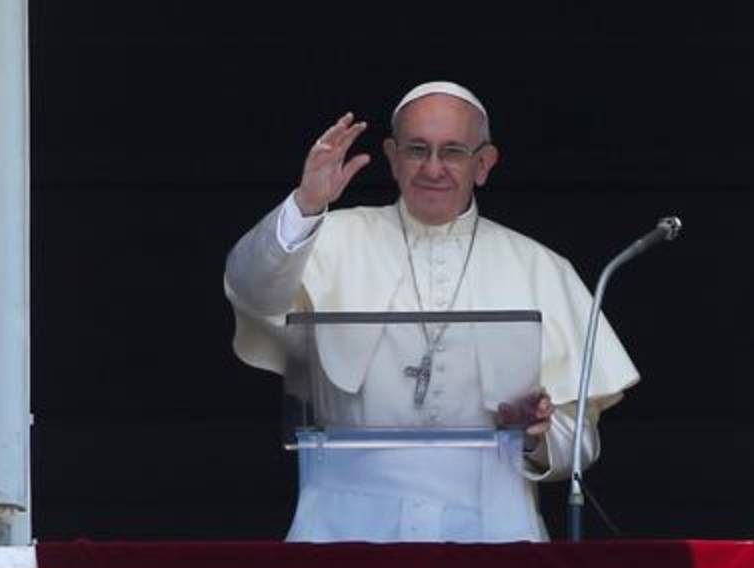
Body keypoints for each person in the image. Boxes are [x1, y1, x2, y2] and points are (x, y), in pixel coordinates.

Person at [225, 81, 638, 542]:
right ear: (392, 156)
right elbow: (252, 294)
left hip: (493, 530)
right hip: (342, 526)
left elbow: (579, 441)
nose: (433, 168)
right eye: (417, 149)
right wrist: (306, 204)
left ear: (483, 165)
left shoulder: (539, 266)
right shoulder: (328, 238)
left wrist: (536, 436)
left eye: (454, 152)